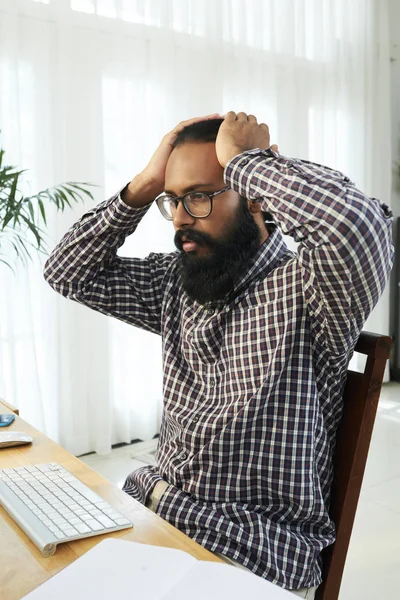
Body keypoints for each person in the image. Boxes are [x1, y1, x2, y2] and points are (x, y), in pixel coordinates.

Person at [44, 112, 394, 598]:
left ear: (255, 196)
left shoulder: (312, 291)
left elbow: (357, 228)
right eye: (174, 200)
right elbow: (67, 272)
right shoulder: (177, 283)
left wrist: (248, 161)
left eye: (201, 196)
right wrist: (143, 187)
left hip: (248, 552)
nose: (183, 217)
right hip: (152, 510)